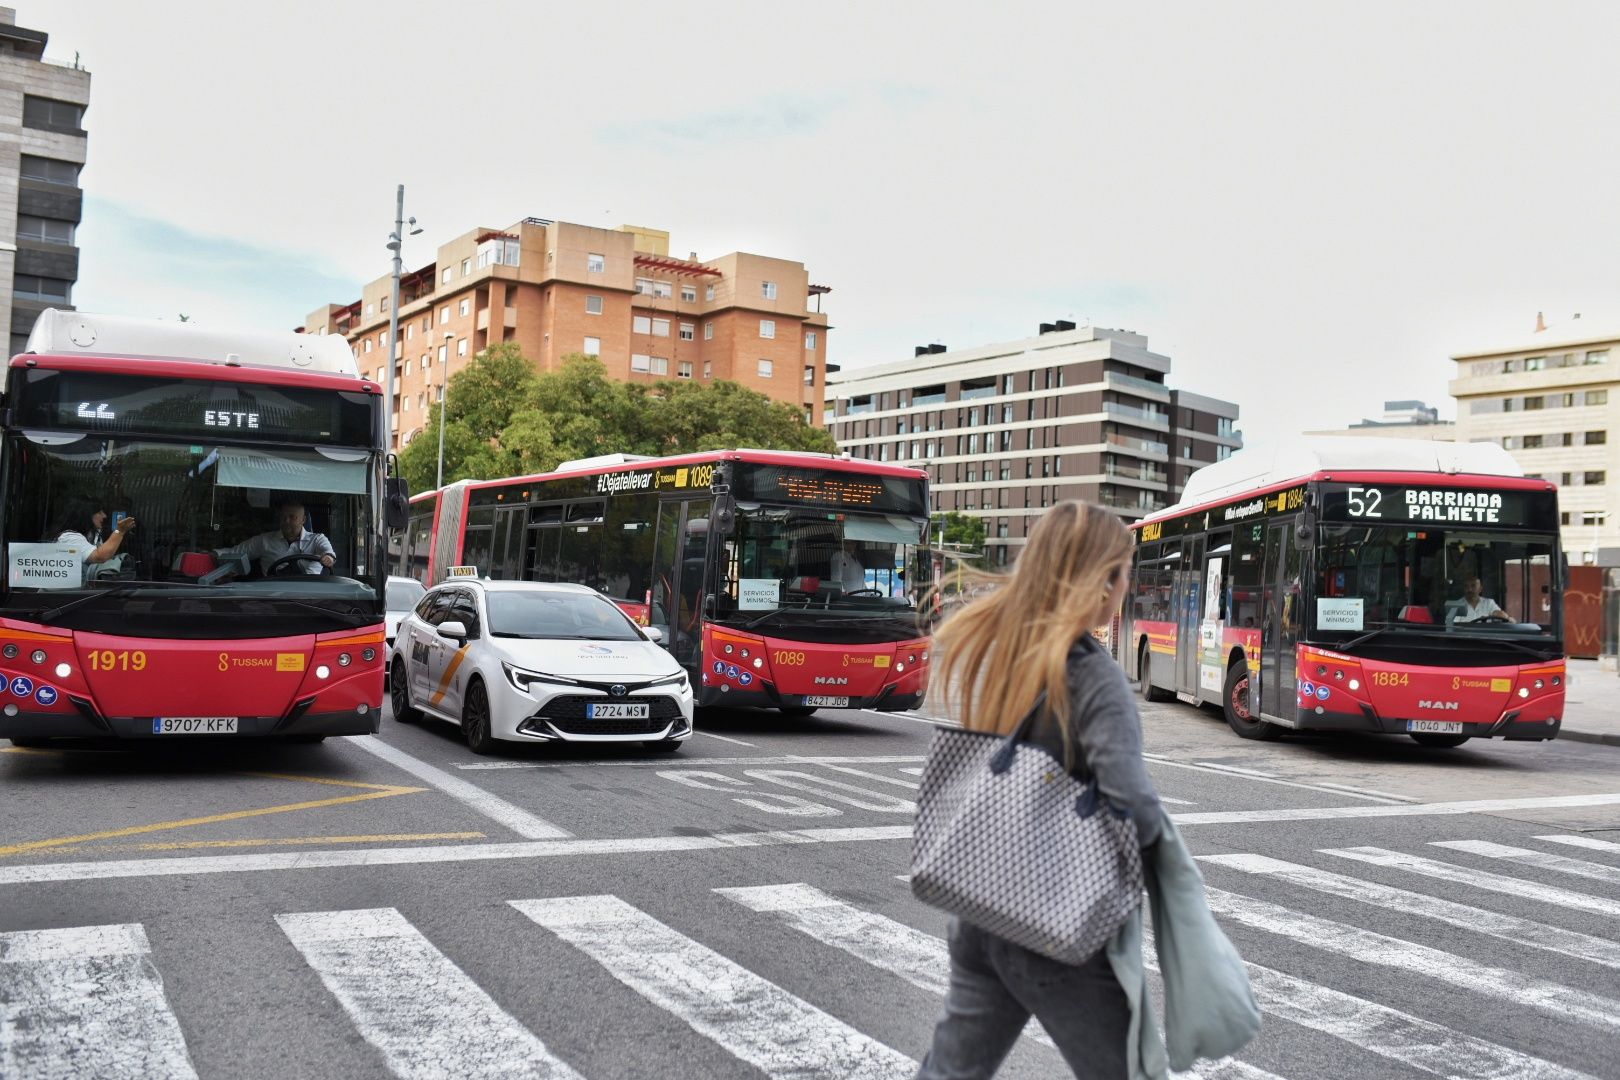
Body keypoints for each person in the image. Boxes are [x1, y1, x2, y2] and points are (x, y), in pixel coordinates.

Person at [916, 500, 1163, 1080]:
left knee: (951, 1073)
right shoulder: (1093, 675)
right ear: (1102, 582)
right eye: (1124, 574)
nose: (1125, 589)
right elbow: (1129, 797)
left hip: (981, 905)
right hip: (1051, 919)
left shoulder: (1001, 647)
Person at [217, 500, 335, 575]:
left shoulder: (317, 539)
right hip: (272, 598)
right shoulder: (264, 540)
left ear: (303, 520)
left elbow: (328, 553)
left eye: (292, 517)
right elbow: (234, 553)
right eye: (283, 517)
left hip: (310, 597)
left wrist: (328, 558)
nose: (286, 521)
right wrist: (212, 555)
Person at [52, 501, 136, 584]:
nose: (104, 516)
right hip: (66, 595)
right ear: (86, 515)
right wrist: (120, 531)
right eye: (99, 512)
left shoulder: (93, 534)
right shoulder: (68, 538)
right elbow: (100, 557)